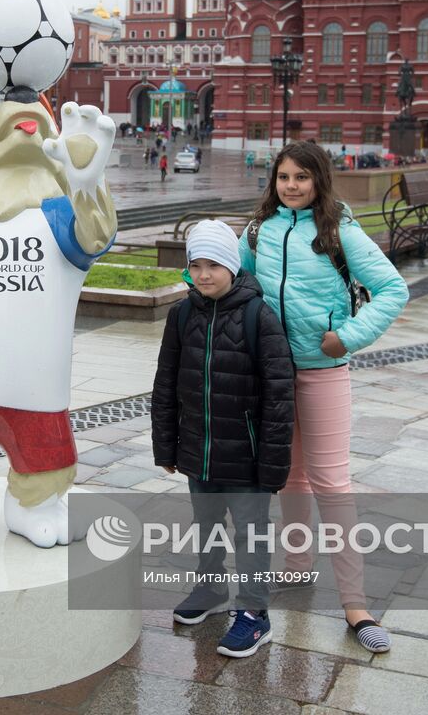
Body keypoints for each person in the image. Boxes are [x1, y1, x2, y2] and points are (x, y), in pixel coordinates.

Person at [239, 140, 408, 655]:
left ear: (319, 181)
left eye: (301, 178)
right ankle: (296, 567)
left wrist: (348, 337)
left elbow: (393, 289)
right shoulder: (258, 231)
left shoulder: (340, 232)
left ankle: (356, 605)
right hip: (270, 373)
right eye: (283, 177)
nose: (291, 186)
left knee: (332, 482)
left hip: (323, 371)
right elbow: (234, 280)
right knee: (289, 476)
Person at [152, 220, 295, 658]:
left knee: (251, 533)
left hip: (247, 455)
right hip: (199, 450)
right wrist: (167, 446)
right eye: (195, 265)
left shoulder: (258, 315)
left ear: (232, 265)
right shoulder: (181, 315)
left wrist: (273, 464)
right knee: (207, 525)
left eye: (213, 264)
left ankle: (254, 613)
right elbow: (166, 383)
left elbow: (279, 394)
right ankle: (211, 591)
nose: (203, 274)